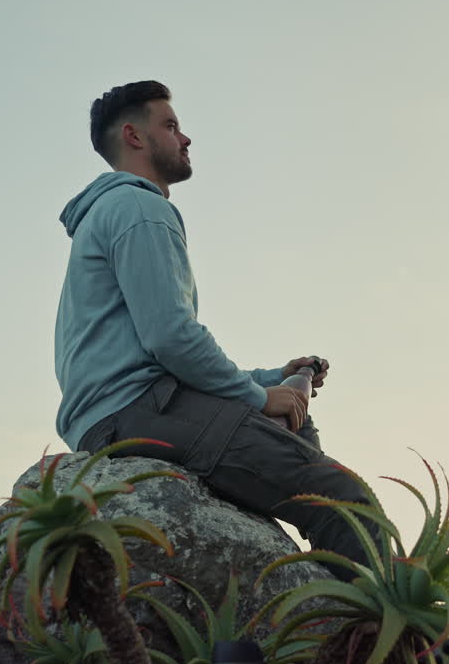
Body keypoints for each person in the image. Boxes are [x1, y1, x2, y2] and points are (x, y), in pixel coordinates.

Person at [53, 80, 375, 580]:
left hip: (123, 411)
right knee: (342, 497)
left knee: (295, 432)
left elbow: (157, 348)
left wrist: (272, 377)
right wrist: (257, 396)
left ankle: (324, 600)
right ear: (135, 137)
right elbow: (172, 338)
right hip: (135, 412)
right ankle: (378, 650)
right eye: (172, 126)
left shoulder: (111, 212)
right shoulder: (141, 210)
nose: (185, 139)